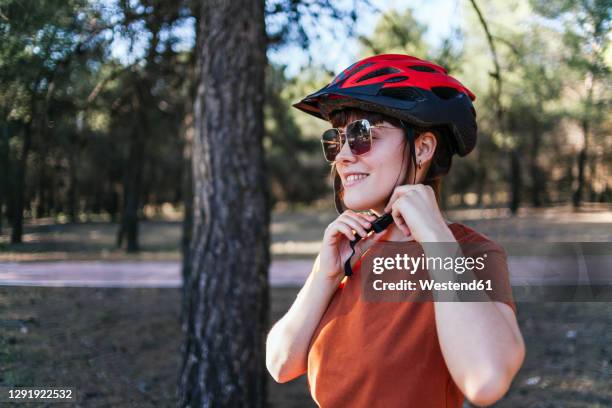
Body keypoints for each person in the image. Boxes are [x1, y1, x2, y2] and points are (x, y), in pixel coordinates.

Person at [266, 54, 525, 407]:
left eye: (361, 136)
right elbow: (281, 364)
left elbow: (486, 379)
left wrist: (436, 238)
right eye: (337, 139)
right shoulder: (349, 250)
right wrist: (324, 276)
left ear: (423, 148)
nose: (342, 156)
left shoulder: (468, 252)